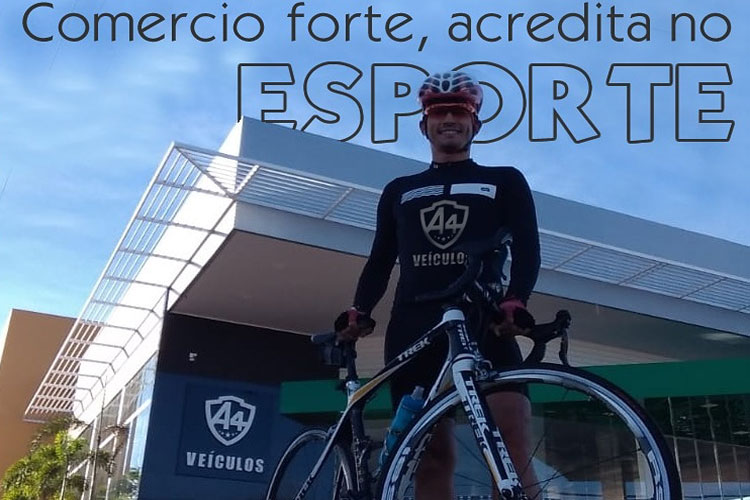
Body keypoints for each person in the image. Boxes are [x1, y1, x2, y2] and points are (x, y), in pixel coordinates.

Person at [335, 70, 541, 499]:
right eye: (438, 112)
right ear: (423, 125)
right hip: (416, 323)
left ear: (475, 124)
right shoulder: (400, 190)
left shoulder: (505, 180)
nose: (449, 119)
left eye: (459, 112)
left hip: (484, 318)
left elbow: (528, 247)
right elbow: (381, 259)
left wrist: (516, 300)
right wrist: (360, 309)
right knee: (431, 456)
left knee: (511, 443)